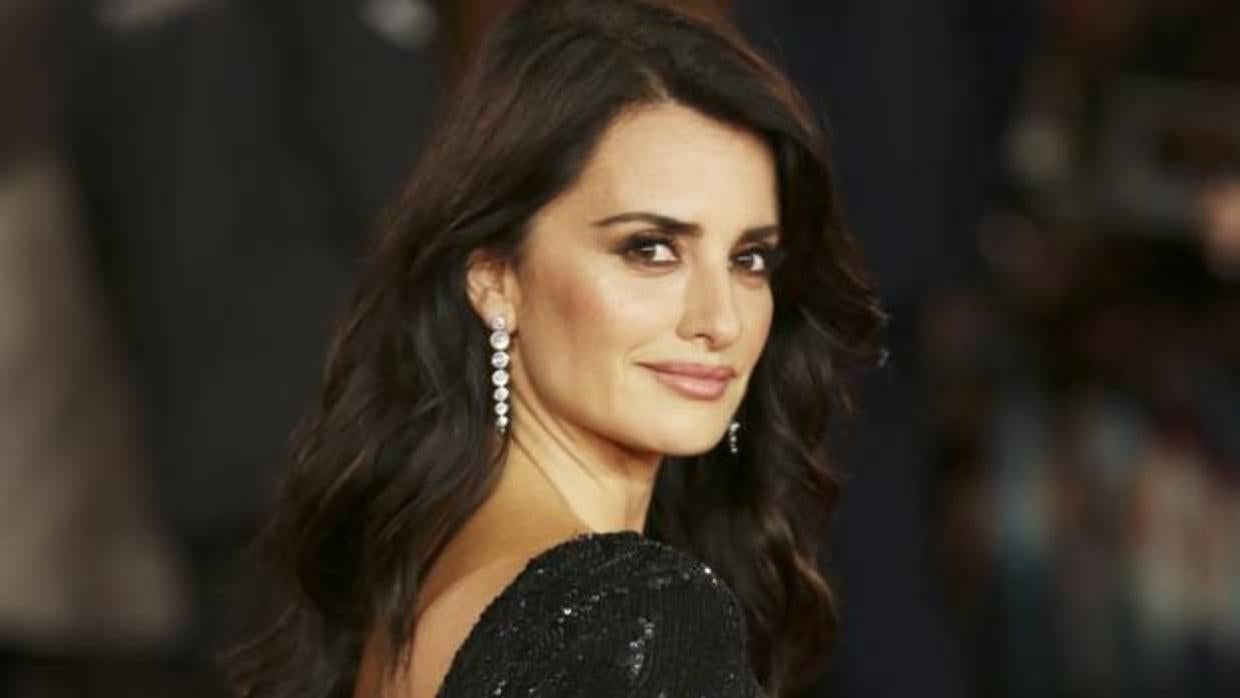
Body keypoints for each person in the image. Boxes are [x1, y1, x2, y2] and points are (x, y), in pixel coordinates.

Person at [228, 1, 885, 696]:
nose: (719, 320)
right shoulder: (629, 616)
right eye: (650, 249)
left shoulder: (424, 583)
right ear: (495, 278)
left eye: (749, 260)